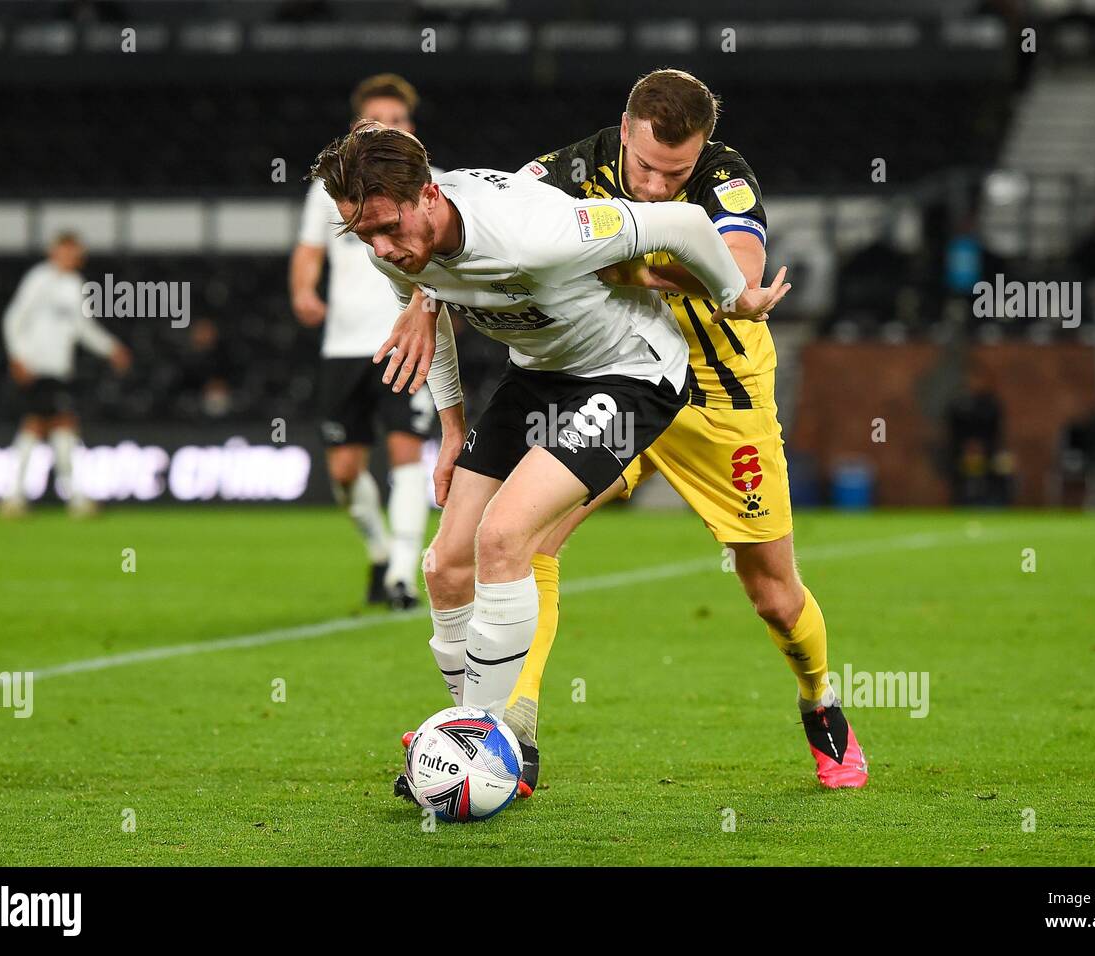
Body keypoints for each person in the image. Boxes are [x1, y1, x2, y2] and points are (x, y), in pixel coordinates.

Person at [307, 121, 788, 801]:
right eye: (366, 236)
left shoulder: (533, 229)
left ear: (428, 196)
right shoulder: (389, 244)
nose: (382, 247)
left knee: (504, 538)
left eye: (388, 228)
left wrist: (737, 297)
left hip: (632, 374)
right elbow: (430, 321)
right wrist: (451, 429)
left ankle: (481, 740)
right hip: (539, 375)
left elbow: (679, 222)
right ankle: (474, 733)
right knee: (445, 566)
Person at [504, 69, 869, 790]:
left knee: (772, 592)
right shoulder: (572, 168)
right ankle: (515, 728)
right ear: (624, 128)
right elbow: (493, 227)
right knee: (527, 538)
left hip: (717, 397)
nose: (654, 188)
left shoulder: (726, 178)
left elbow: (739, 269)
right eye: (643, 167)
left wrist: (615, 266)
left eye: (675, 174)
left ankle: (819, 698)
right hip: (616, 381)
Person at [290, 73, 437, 609]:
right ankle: (380, 553)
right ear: (357, 128)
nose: (388, 129)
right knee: (345, 474)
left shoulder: (432, 186)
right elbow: (308, 251)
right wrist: (304, 289)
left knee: (404, 454)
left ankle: (402, 574)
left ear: (412, 130)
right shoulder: (327, 190)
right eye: (377, 121)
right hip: (342, 347)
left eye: (397, 122)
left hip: (405, 343)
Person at [0, 232, 130, 517]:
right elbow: (13, 318)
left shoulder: (75, 285)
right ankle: (63, 497)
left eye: (76, 252)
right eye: (68, 251)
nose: (73, 257)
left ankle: (18, 497)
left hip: (59, 369)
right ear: (55, 252)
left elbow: (83, 328)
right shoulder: (38, 279)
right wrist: (18, 357)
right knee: (52, 425)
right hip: (35, 367)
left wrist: (111, 349)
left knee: (46, 427)